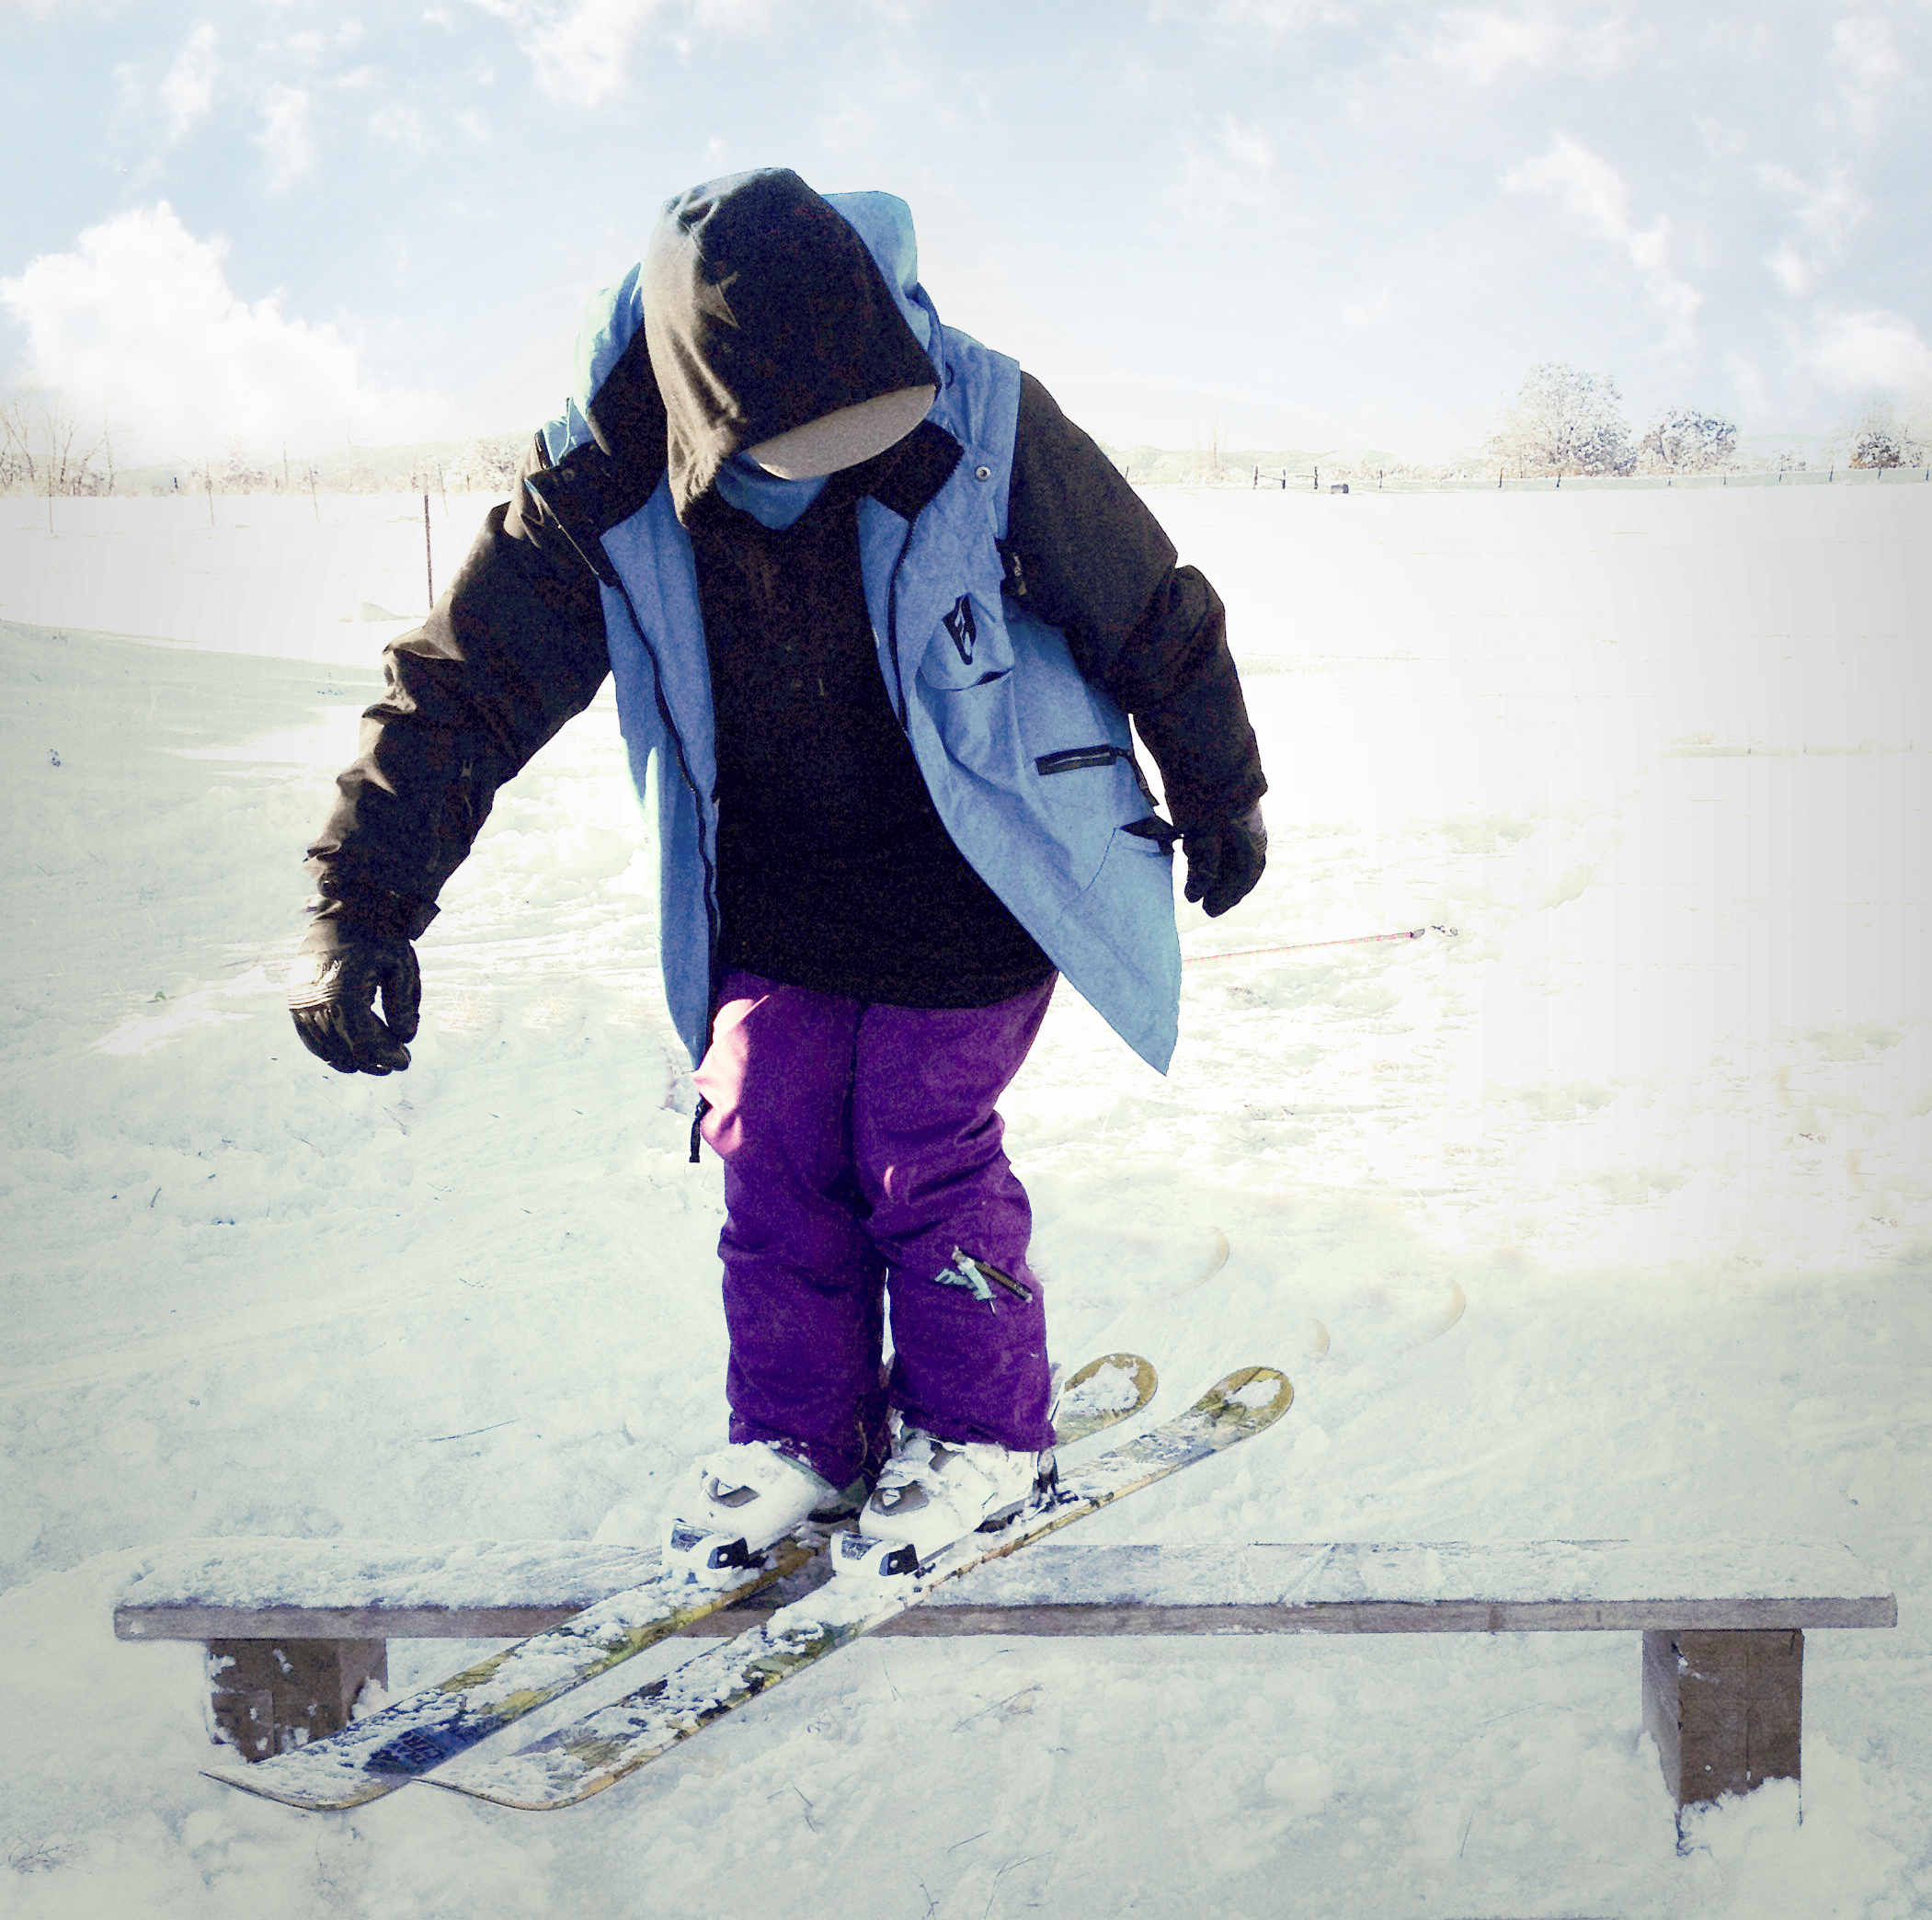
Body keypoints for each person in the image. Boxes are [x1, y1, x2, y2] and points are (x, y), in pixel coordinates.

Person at [286, 167, 1266, 1584]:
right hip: (774, 887)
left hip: (982, 867)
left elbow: (1143, 600)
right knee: (769, 1147)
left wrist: (1218, 783)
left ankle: (985, 1435)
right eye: (814, 441)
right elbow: (461, 689)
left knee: (915, 1151)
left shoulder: (976, 410)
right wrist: (361, 904)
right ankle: (800, 1441)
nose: (858, 455)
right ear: (713, 411)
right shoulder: (600, 478)